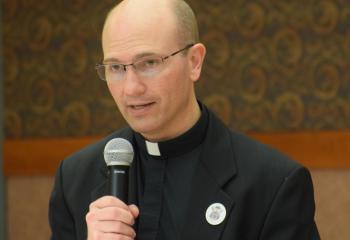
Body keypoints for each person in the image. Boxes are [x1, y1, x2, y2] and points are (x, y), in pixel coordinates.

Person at [49, 0, 320, 239]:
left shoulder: (272, 184)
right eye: (116, 68)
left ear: (194, 62)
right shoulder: (74, 178)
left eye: (149, 63)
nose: (131, 88)